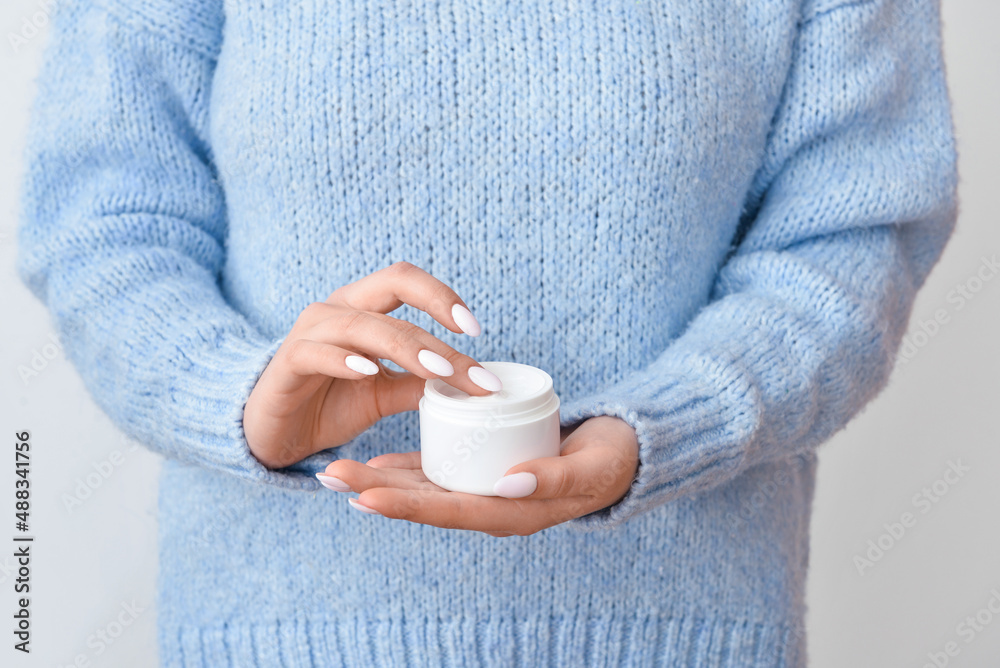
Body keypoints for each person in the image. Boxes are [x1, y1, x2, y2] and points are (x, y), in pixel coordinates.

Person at [17, 0, 958, 665]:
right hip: (276, 634)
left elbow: (852, 239)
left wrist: (661, 430)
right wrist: (239, 397)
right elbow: (107, 225)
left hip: (681, 633)